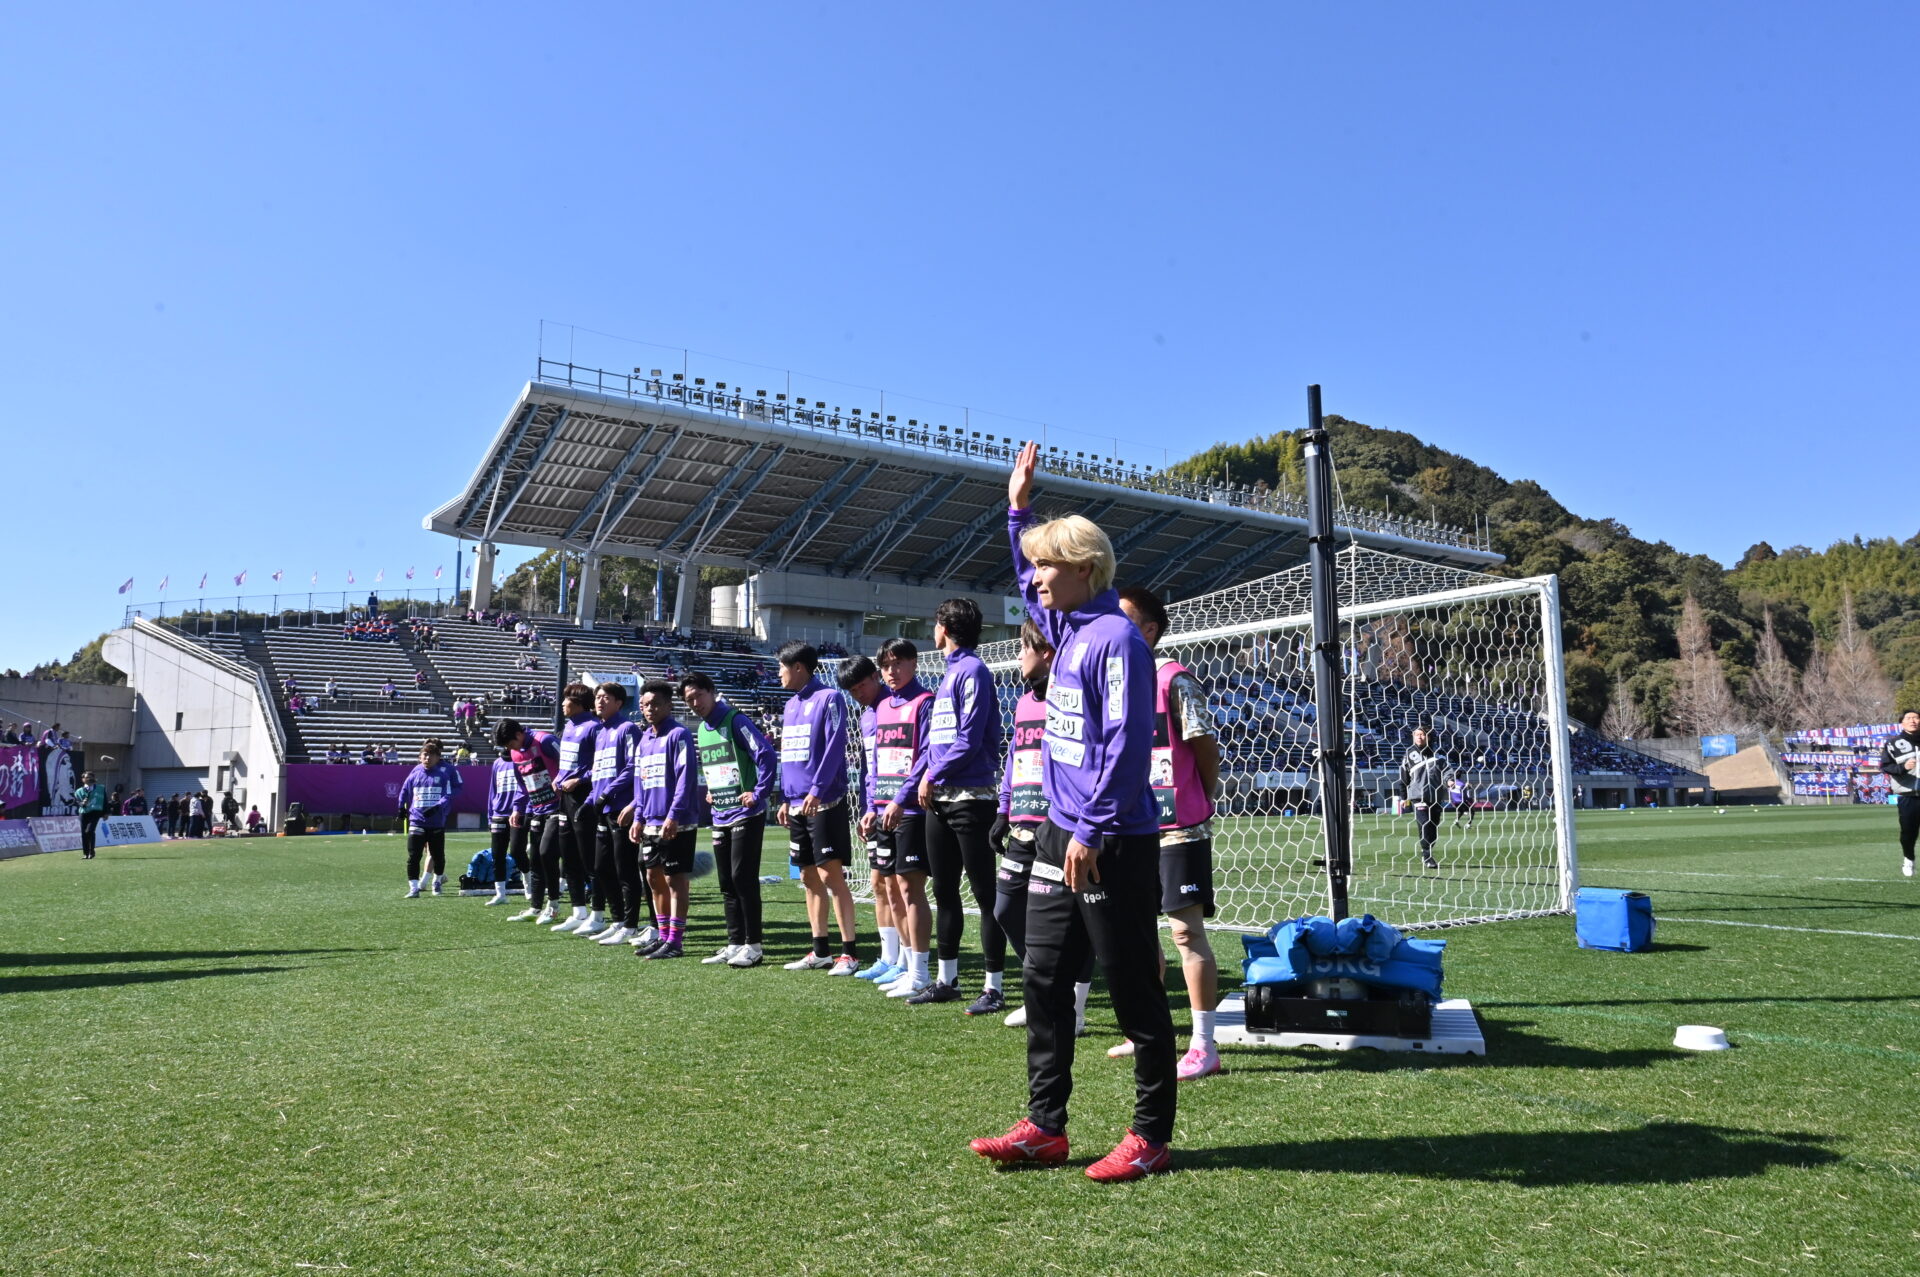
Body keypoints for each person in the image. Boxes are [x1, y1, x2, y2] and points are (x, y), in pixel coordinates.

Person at [970, 440, 1176, 1183]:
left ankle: (1150, 1135)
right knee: (1044, 977)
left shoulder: (1116, 638)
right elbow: (1027, 586)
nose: (1036, 579)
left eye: (1048, 565)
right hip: (1061, 832)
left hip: (1109, 836)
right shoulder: (1069, 629)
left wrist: (1089, 828)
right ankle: (1045, 1127)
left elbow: (1127, 741)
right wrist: (1017, 508)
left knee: (1133, 988)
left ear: (1085, 566)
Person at [1116, 585, 1226, 1081]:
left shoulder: (1173, 679)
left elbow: (1204, 747)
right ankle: (1146, 1030)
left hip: (1178, 828)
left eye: (1125, 619)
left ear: (1150, 629)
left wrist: (1198, 796)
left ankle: (1204, 1045)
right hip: (1131, 826)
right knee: (1138, 935)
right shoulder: (1117, 679)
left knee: (1185, 931)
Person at [992, 619, 1093, 1035]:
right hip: (1022, 822)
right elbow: (1015, 757)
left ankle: (1075, 1008)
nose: (1018, 656)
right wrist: (1003, 809)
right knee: (1006, 908)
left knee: (1080, 920)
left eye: (1024, 648)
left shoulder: (1071, 698)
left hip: (1061, 826)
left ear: (1046, 652)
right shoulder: (1022, 703)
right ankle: (1047, 989)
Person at [919, 598, 1009, 1013]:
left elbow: (969, 739)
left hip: (972, 798)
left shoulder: (973, 670)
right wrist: (923, 779)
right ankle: (946, 980)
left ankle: (994, 987)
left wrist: (933, 774)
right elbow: (938, 743)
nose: (932, 629)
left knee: (985, 894)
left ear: (944, 626)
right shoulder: (950, 673)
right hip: (939, 799)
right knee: (943, 890)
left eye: (935, 622)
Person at [680, 671, 778, 968]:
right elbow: (718, 765)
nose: (695, 703)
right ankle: (735, 943)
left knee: (742, 879)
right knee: (726, 883)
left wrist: (758, 792)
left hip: (745, 814)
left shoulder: (736, 720)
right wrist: (713, 789)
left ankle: (754, 946)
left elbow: (766, 754)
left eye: (698, 695)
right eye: (689, 700)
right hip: (720, 814)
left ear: (712, 692)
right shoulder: (702, 729)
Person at [774, 640, 860, 973]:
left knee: (831, 876)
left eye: (782, 667)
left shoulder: (830, 698)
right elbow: (789, 754)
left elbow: (836, 745)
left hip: (824, 802)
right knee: (808, 877)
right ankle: (820, 950)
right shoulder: (790, 705)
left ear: (798, 667)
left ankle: (849, 953)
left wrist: (817, 790)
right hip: (797, 804)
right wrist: (786, 798)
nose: (778, 673)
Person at [866, 638, 937, 997]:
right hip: (884, 809)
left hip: (910, 810)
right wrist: (872, 805)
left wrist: (900, 798)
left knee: (910, 888)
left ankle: (921, 971)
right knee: (891, 887)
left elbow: (927, 755)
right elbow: (877, 760)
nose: (891, 671)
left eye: (898, 663)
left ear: (914, 663)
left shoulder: (925, 702)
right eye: (885, 665)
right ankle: (907, 967)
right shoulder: (882, 707)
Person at [837, 656, 905, 986]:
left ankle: (907, 959)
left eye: (861, 686)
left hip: (901, 810)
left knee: (898, 886)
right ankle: (888, 957)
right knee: (878, 883)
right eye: (852, 691)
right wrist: (867, 808)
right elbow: (869, 770)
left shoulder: (898, 707)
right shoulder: (866, 717)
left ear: (876, 676)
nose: (858, 694)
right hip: (874, 810)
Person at [630, 680, 699, 959]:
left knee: (675, 880)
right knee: (653, 878)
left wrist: (674, 814)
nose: (650, 709)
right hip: (649, 821)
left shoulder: (679, 734)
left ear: (669, 706)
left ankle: (675, 941)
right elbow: (640, 782)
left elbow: (686, 777)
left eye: (656, 704)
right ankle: (662, 935)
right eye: (645, 705)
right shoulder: (644, 739)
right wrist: (638, 817)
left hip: (676, 822)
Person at [582, 681, 646, 945]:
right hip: (603, 809)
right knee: (601, 867)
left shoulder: (627, 728)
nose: (599, 701)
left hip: (621, 809)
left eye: (606, 697)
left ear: (619, 703)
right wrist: (590, 800)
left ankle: (631, 925)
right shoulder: (600, 733)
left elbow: (633, 766)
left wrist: (608, 793)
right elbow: (599, 773)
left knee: (625, 869)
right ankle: (618, 920)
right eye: (597, 696)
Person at [495, 718, 565, 923]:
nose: (510, 749)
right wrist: (517, 808)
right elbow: (522, 784)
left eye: (510, 744)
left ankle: (554, 905)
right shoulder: (515, 753)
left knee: (547, 853)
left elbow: (569, 764)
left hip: (558, 806)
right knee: (535, 859)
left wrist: (560, 782)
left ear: (519, 734)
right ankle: (535, 907)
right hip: (536, 808)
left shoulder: (545, 740)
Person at [548, 684, 602, 933]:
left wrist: (580, 780)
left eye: (567, 700)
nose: (562, 704)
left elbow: (600, 765)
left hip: (584, 795)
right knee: (568, 854)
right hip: (565, 797)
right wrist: (559, 778)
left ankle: (598, 913)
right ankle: (578, 911)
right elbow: (567, 762)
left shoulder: (594, 727)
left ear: (579, 703)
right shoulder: (569, 726)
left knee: (589, 856)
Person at [399, 738, 464, 897]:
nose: (428, 757)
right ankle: (416, 886)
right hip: (417, 819)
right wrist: (401, 807)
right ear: (420, 755)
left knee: (436, 854)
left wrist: (438, 806)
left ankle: (435, 881)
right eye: (425, 753)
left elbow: (455, 789)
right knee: (415, 855)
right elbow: (405, 790)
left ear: (438, 754)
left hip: (437, 818)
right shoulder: (416, 771)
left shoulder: (447, 771)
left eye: (432, 753)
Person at [1397, 726, 1452, 870]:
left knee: (1433, 828)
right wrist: (1403, 797)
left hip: (1435, 797)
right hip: (1418, 796)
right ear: (1413, 737)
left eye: (1422, 734)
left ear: (1429, 737)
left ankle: (1426, 850)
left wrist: (1449, 781)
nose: (1420, 737)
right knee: (1425, 824)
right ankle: (1427, 856)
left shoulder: (1438, 755)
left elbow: (1446, 771)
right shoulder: (1409, 754)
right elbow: (1403, 777)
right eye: (1417, 735)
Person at [483, 747, 528, 906]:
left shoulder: (522, 759)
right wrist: (490, 816)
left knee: (517, 851)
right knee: (497, 855)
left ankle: (529, 885)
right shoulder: (497, 763)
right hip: (498, 814)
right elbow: (492, 791)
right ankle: (500, 894)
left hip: (518, 813)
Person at [1880, 709, 1920, 878]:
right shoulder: (1893, 743)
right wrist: (1903, 767)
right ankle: (1908, 859)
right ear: (1902, 722)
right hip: (1908, 794)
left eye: (1916, 717)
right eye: (1909, 718)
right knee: (1909, 832)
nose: (1913, 721)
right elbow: (1885, 766)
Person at [74, 771, 108, 859]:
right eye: (86, 777)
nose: (89, 778)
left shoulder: (101, 788)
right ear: (83, 779)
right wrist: (82, 803)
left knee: (89, 831)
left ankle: (91, 851)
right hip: (83, 813)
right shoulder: (78, 791)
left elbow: (105, 801)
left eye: (90, 777)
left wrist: (106, 813)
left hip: (95, 812)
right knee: (84, 833)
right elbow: (77, 802)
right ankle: (86, 853)